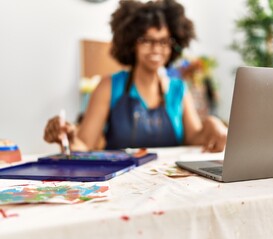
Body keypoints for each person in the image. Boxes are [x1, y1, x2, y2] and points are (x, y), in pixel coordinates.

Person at [44, 0, 227, 152]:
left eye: (164, 41)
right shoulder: (108, 86)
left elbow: (193, 138)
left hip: (169, 185)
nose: (156, 48)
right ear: (132, 43)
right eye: (147, 40)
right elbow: (84, 144)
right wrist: (69, 137)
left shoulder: (178, 89)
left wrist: (213, 124)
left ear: (173, 45)